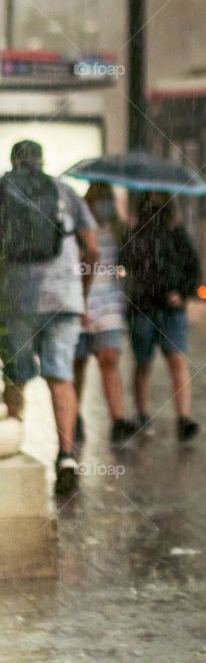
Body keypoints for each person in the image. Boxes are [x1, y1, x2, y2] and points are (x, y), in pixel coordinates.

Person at [0, 140, 98, 495]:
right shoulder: (64, 192)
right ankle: (66, 457)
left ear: (14, 162)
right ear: (41, 161)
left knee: (16, 373)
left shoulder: (3, 190)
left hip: (16, 299)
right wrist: (82, 293)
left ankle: (12, 447)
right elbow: (93, 246)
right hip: (64, 298)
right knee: (61, 376)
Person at [119, 191, 201, 442]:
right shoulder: (134, 233)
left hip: (169, 309)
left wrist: (183, 294)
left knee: (176, 360)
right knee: (143, 363)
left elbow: (193, 267)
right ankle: (142, 413)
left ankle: (183, 417)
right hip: (142, 308)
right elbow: (125, 263)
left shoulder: (176, 233)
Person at [73, 182, 134, 447]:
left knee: (109, 359)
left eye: (108, 198)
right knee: (77, 365)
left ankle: (117, 419)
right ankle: (73, 416)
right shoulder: (76, 231)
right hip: (78, 306)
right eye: (100, 199)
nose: (105, 205)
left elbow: (129, 262)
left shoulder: (119, 230)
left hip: (109, 305)